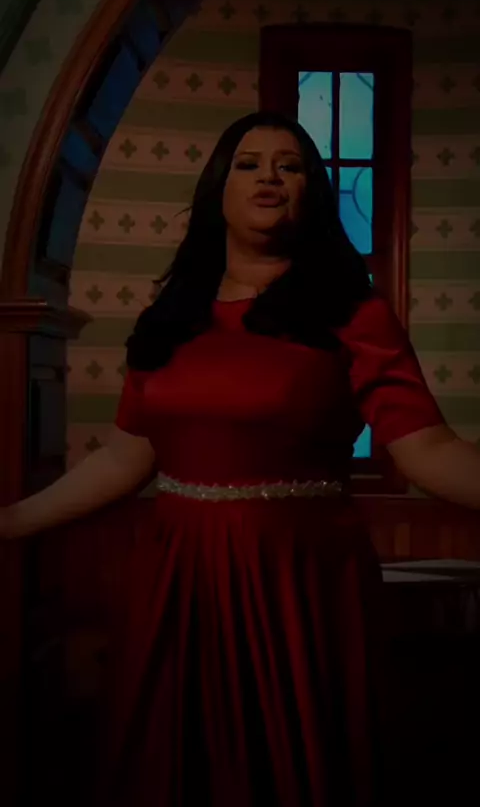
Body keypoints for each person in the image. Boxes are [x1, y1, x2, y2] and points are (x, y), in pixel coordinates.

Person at [1, 111, 479, 807]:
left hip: (298, 585)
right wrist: (10, 522)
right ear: (218, 190)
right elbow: (125, 458)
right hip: (179, 581)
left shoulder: (353, 312)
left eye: (290, 166)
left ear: (311, 192)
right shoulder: (170, 318)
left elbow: (429, 449)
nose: (269, 177)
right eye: (249, 163)